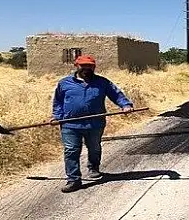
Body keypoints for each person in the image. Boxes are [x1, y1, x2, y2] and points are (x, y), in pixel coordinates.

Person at [51, 55, 134, 193]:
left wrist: (125, 105)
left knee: (94, 148)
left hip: (95, 124)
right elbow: (58, 102)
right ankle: (74, 180)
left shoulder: (102, 82)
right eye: (83, 65)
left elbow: (116, 94)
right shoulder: (64, 83)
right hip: (70, 124)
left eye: (90, 66)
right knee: (71, 150)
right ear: (76, 66)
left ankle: (94, 167)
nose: (86, 68)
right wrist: (56, 116)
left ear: (94, 67)